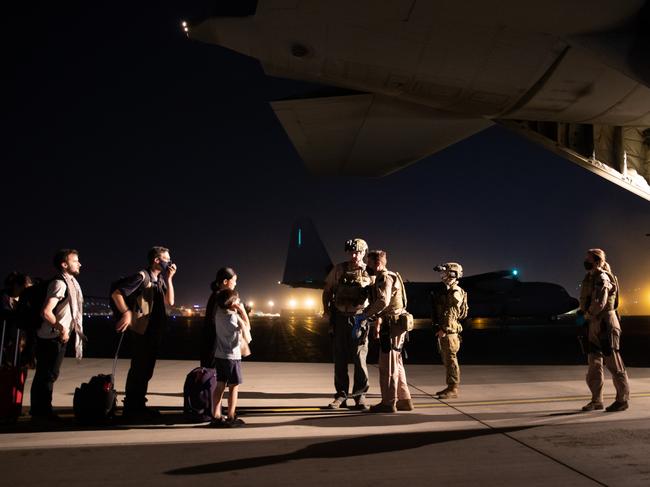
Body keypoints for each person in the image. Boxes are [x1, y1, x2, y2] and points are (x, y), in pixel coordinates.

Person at [111, 246, 177, 418]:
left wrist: (169, 279)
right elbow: (117, 293)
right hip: (142, 330)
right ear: (157, 260)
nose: (169, 262)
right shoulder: (142, 276)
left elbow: (169, 301)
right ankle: (132, 407)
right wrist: (126, 313)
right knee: (139, 369)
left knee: (147, 370)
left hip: (155, 331)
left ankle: (138, 404)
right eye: (166, 259)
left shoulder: (160, 279)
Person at [30, 249, 84, 421]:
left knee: (48, 374)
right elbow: (46, 312)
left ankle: (41, 410)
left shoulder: (71, 282)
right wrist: (62, 328)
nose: (79, 263)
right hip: (51, 336)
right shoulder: (60, 283)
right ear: (64, 264)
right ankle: (42, 412)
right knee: (47, 375)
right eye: (75, 261)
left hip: (56, 335)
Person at [358, 250, 413, 413]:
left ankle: (388, 403)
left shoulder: (384, 277)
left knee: (387, 365)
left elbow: (383, 301)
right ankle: (404, 400)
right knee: (397, 362)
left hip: (392, 327)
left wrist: (365, 315)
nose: (367, 266)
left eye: (369, 263)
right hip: (397, 324)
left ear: (377, 263)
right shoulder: (391, 275)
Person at [322, 238, 372, 410]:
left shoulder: (369, 273)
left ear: (364, 253)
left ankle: (360, 396)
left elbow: (377, 297)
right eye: (351, 252)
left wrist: (375, 317)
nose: (354, 255)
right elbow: (327, 291)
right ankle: (341, 396)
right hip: (340, 318)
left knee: (360, 359)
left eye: (357, 252)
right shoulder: (339, 269)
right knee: (340, 359)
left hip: (359, 319)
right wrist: (327, 312)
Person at [579, 248, 630, 412]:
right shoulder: (590, 277)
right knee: (594, 363)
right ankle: (596, 400)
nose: (585, 261)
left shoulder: (602, 277)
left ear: (597, 260)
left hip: (605, 322)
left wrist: (587, 315)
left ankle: (622, 399)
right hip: (594, 323)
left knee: (613, 362)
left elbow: (600, 303)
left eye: (588, 258)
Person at [208, 288, 247, 428]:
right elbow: (248, 332)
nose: (239, 301)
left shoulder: (218, 314)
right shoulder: (233, 318)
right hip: (233, 357)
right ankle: (231, 416)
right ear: (232, 303)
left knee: (220, 386)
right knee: (233, 387)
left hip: (219, 355)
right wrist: (242, 312)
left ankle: (216, 415)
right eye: (237, 299)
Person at [201, 267, 251, 367]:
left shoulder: (216, 296)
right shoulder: (221, 298)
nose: (235, 284)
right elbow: (215, 321)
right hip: (217, 346)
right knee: (218, 375)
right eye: (234, 281)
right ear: (225, 281)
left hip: (213, 344)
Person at [431, 262, 468, 399]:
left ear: (453, 274)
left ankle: (453, 388)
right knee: (447, 360)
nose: (443, 275)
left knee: (451, 360)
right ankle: (450, 386)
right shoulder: (448, 290)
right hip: (447, 331)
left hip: (450, 332)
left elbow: (451, 312)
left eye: (446, 272)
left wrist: (444, 329)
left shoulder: (455, 291)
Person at [0, 272, 33, 367]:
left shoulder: (27, 300)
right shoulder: (3, 297)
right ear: (16, 286)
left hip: (21, 341)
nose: (28, 291)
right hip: (5, 339)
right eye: (25, 288)